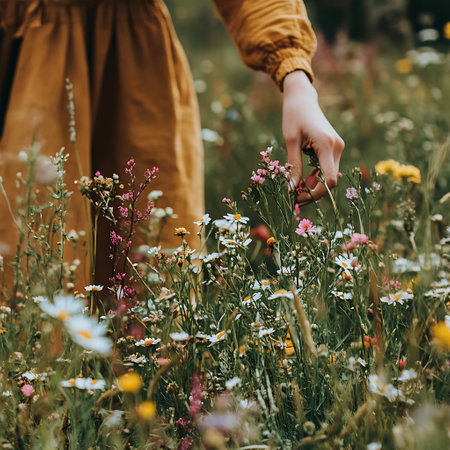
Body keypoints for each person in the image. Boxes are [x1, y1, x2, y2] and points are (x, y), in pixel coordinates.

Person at [0, 0, 343, 287]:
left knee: (149, 288)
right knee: (27, 272)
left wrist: (296, 79)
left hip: (134, 84)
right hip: (20, 70)